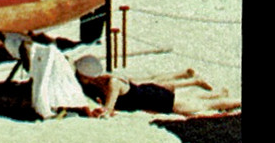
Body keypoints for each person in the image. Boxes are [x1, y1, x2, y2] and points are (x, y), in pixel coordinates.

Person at [72, 56, 240, 118]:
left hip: (155, 99)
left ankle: (237, 101)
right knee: (192, 100)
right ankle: (219, 93)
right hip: (150, 94)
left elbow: (108, 110)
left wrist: (99, 111)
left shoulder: (112, 83)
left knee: (203, 106)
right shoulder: (106, 81)